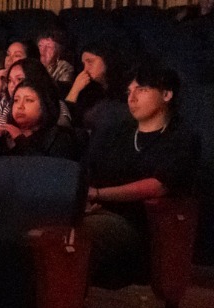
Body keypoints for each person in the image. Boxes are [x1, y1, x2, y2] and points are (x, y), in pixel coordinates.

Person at [81, 61, 200, 288]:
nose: (132, 97)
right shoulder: (117, 133)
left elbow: (157, 185)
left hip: (144, 227)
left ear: (166, 94)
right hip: (99, 212)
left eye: (142, 90)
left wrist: (98, 194)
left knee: (80, 236)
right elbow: (90, 171)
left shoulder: (181, 138)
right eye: (129, 91)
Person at [0, 77, 83, 161]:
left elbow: (44, 171)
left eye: (28, 100)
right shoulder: (4, 134)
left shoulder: (60, 138)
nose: (20, 106)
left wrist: (20, 140)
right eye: (16, 100)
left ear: (45, 105)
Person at [66, 39, 130, 127]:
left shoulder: (127, 88)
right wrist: (75, 90)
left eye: (90, 62)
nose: (85, 69)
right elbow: (64, 121)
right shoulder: (86, 90)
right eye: (83, 64)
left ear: (106, 60)